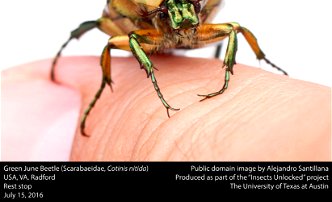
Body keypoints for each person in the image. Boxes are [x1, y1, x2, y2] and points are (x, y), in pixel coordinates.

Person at [2, 56, 330, 161]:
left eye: (189, 9)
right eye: (171, 11)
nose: (182, 19)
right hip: (139, 37)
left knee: (232, 30)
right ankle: (107, 84)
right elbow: (119, 37)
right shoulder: (139, 27)